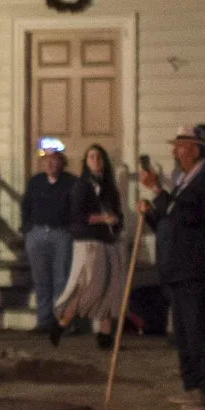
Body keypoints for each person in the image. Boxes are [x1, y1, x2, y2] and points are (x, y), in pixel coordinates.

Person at [142, 125, 205, 410]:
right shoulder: (182, 180)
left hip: (199, 267)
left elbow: (189, 215)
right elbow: (172, 221)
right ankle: (192, 385)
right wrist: (153, 214)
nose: (174, 151)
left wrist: (158, 190)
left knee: (200, 329)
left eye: (180, 145)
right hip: (178, 267)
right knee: (182, 331)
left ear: (195, 149)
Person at [57, 145, 129, 350]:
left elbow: (118, 214)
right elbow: (78, 215)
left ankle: (104, 335)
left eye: (99, 157)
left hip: (107, 240)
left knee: (109, 287)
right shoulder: (81, 186)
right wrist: (102, 218)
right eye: (91, 157)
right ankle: (63, 322)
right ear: (86, 162)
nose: (96, 160)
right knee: (91, 286)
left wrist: (115, 222)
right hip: (88, 241)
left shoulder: (109, 188)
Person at [20, 141, 79, 345]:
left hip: (61, 234)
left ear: (61, 162)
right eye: (46, 160)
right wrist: (27, 229)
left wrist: (71, 228)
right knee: (41, 279)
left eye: (54, 160)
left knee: (61, 278)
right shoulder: (35, 182)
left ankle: (62, 321)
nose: (50, 164)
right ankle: (44, 319)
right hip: (37, 234)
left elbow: (77, 208)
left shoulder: (71, 183)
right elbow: (26, 205)